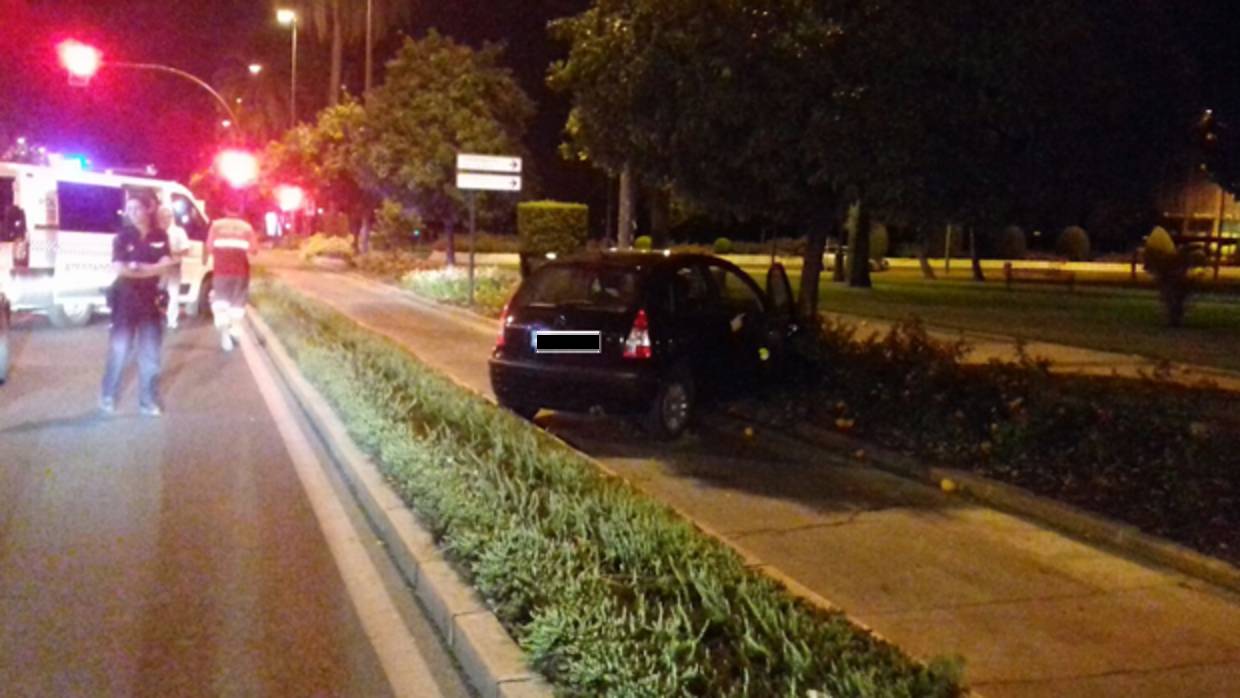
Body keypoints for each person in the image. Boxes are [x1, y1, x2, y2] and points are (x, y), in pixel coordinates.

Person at [100, 191, 176, 416]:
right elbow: (120, 269)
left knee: (151, 355)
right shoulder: (123, 236)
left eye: (137, 208)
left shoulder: (160, 235)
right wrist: (150, 270)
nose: (132, 213)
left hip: (150, 303)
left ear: (148, 209)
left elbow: (166, 265)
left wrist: (139, 269)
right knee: (119, 350)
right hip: (124, 302)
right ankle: (107, 395)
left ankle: (147, 400)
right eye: (129, 209)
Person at [204, 203, 260, 352]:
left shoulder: (216, 226)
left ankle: (224, 332)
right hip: (241, 272)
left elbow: (209, 247)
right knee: (237, 304)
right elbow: (254, 250)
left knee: (221, 302)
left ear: (225, 208)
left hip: (221, 271)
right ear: (240, 209)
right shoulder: (246, 228)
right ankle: (234, 330)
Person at [157, 204, 190, 329]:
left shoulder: (178, 231)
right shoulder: (154, 231)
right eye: (161, 216)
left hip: (173, 268)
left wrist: (172, 253)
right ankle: (154, 318)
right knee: (154, 293)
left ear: (171, 217)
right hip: (157, 269)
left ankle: (172, 321)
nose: (164, 219)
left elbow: (186, 250)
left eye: (167, 216)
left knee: (174, 295)